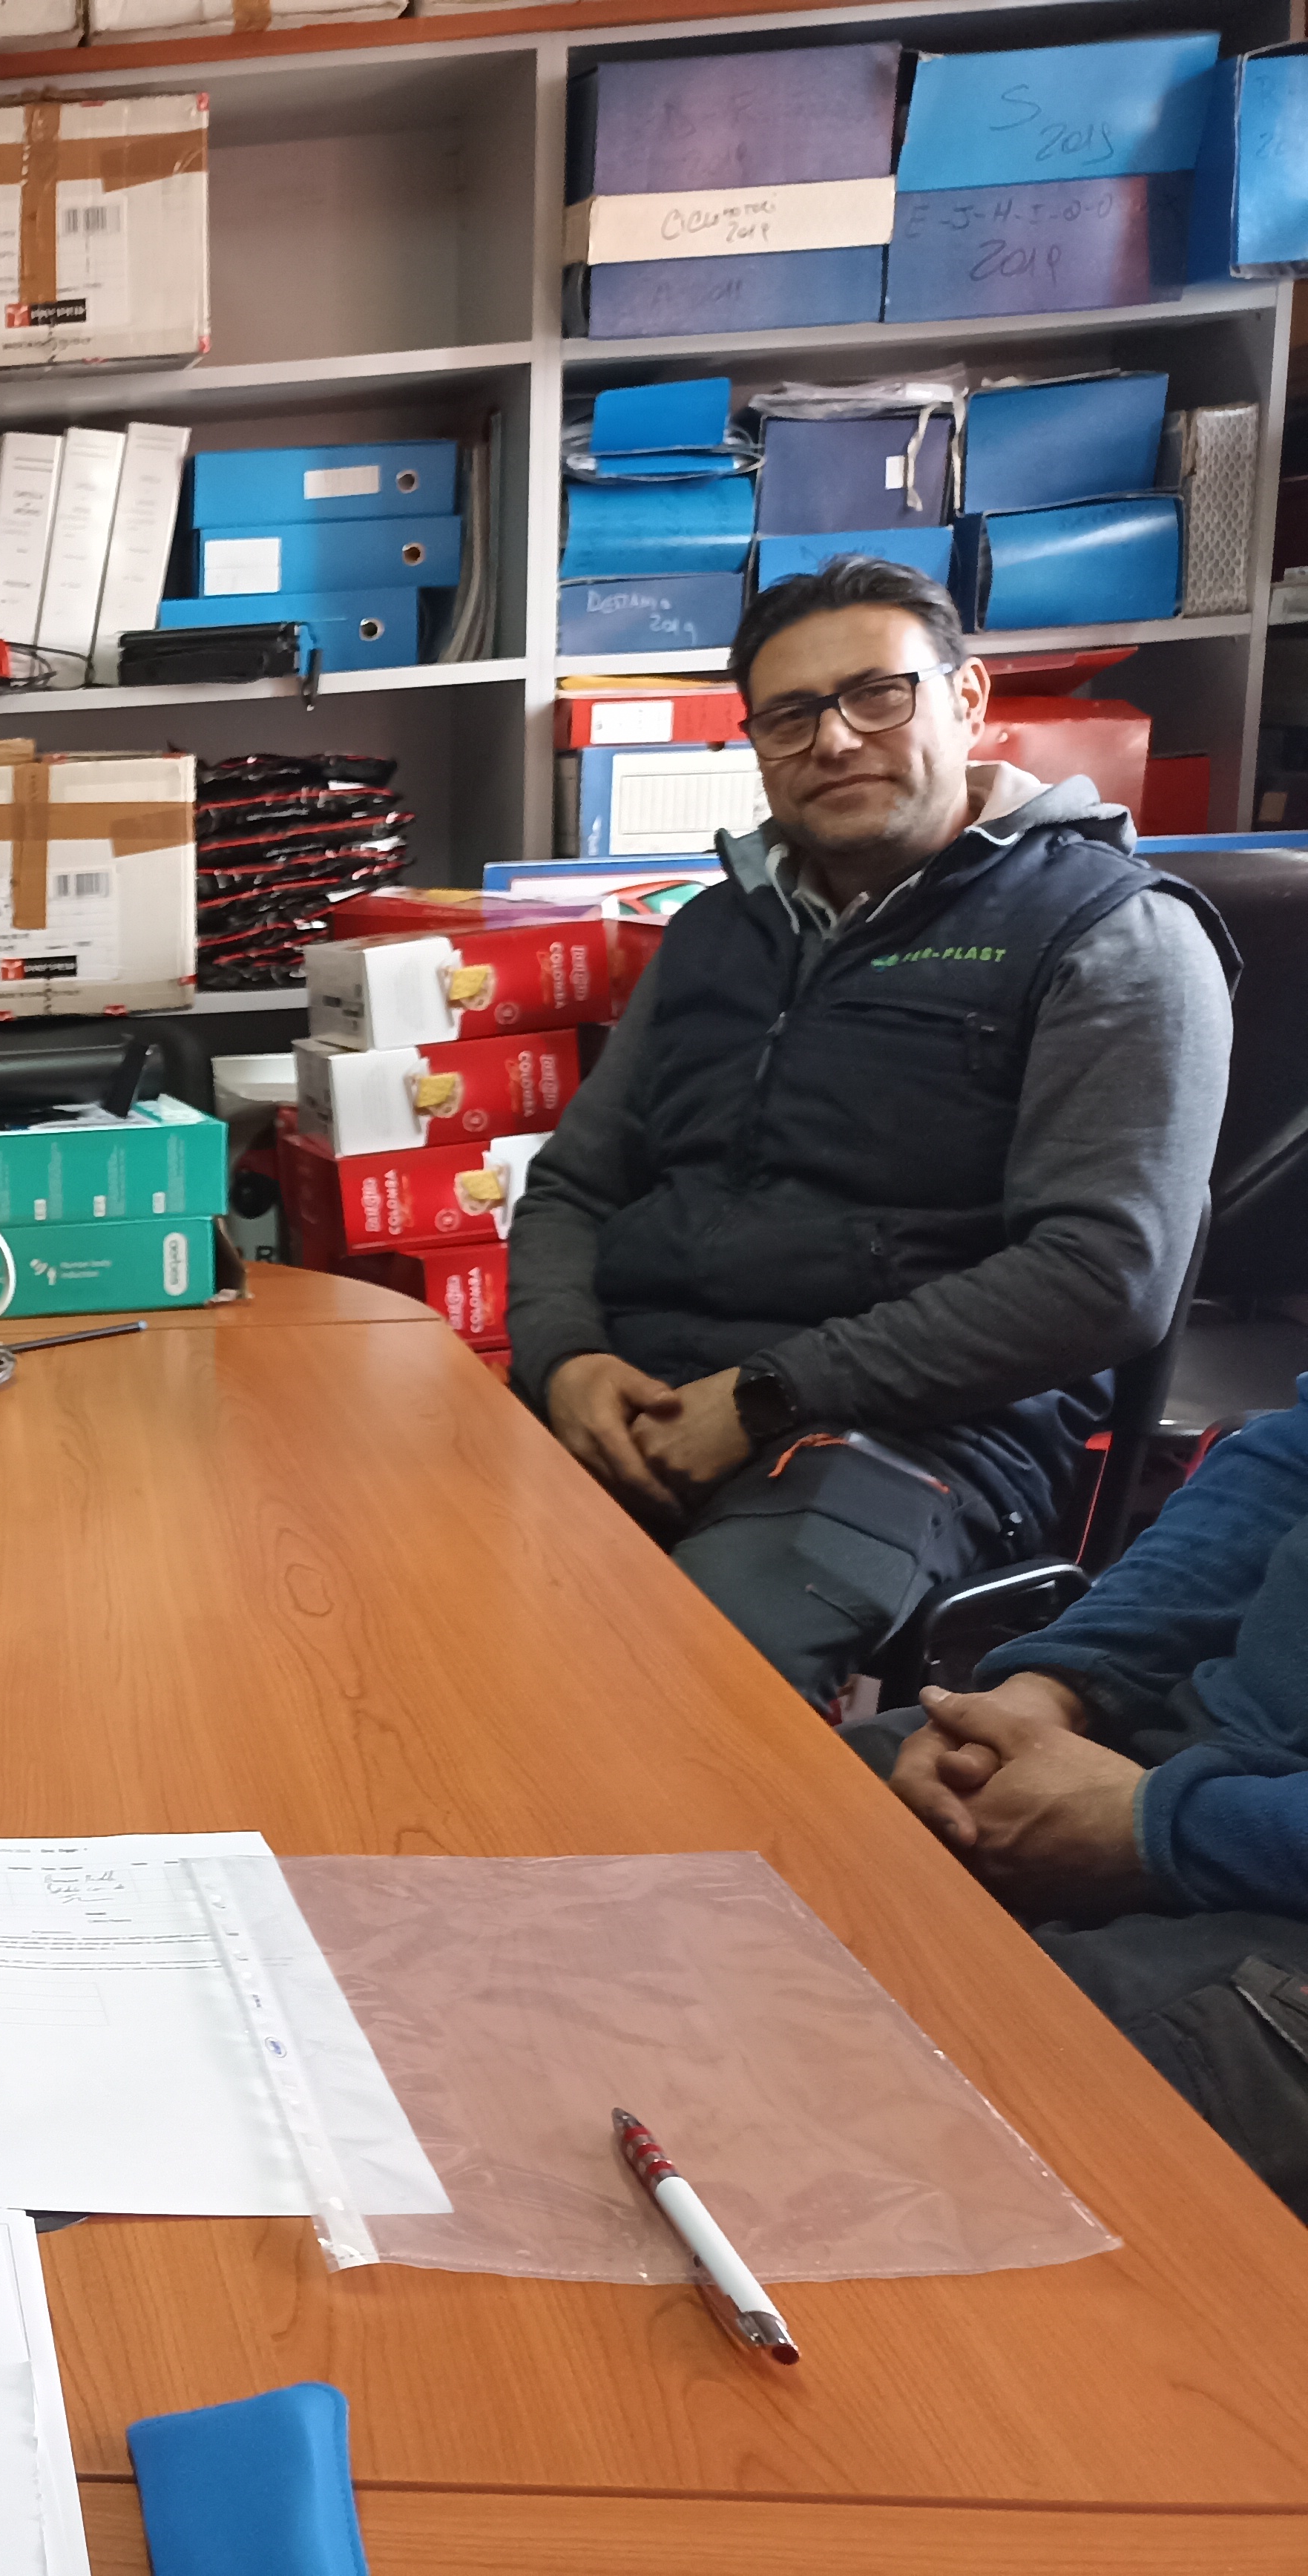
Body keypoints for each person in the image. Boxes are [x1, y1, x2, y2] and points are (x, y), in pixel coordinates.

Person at [507, 554, 1235, 1709]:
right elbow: (575, 1190)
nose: (836, 740)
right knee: (350, 1576)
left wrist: (769, 1394)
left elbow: (1105, 1276)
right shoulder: (716, 932)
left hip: (911, 1441)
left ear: (969, 698)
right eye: (791, 716)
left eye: (877, 695)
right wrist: (567, 1360)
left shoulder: (1113, 937)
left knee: (664, 1694)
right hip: (640, 1395)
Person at [879, 1387, 1308, 2217]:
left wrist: (1164, 1828)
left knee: (946, 2135)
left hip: (1267, 1886)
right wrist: (1056, 1685)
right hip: (1186, 1743)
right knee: (758, 1830)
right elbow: (1282, 1472)